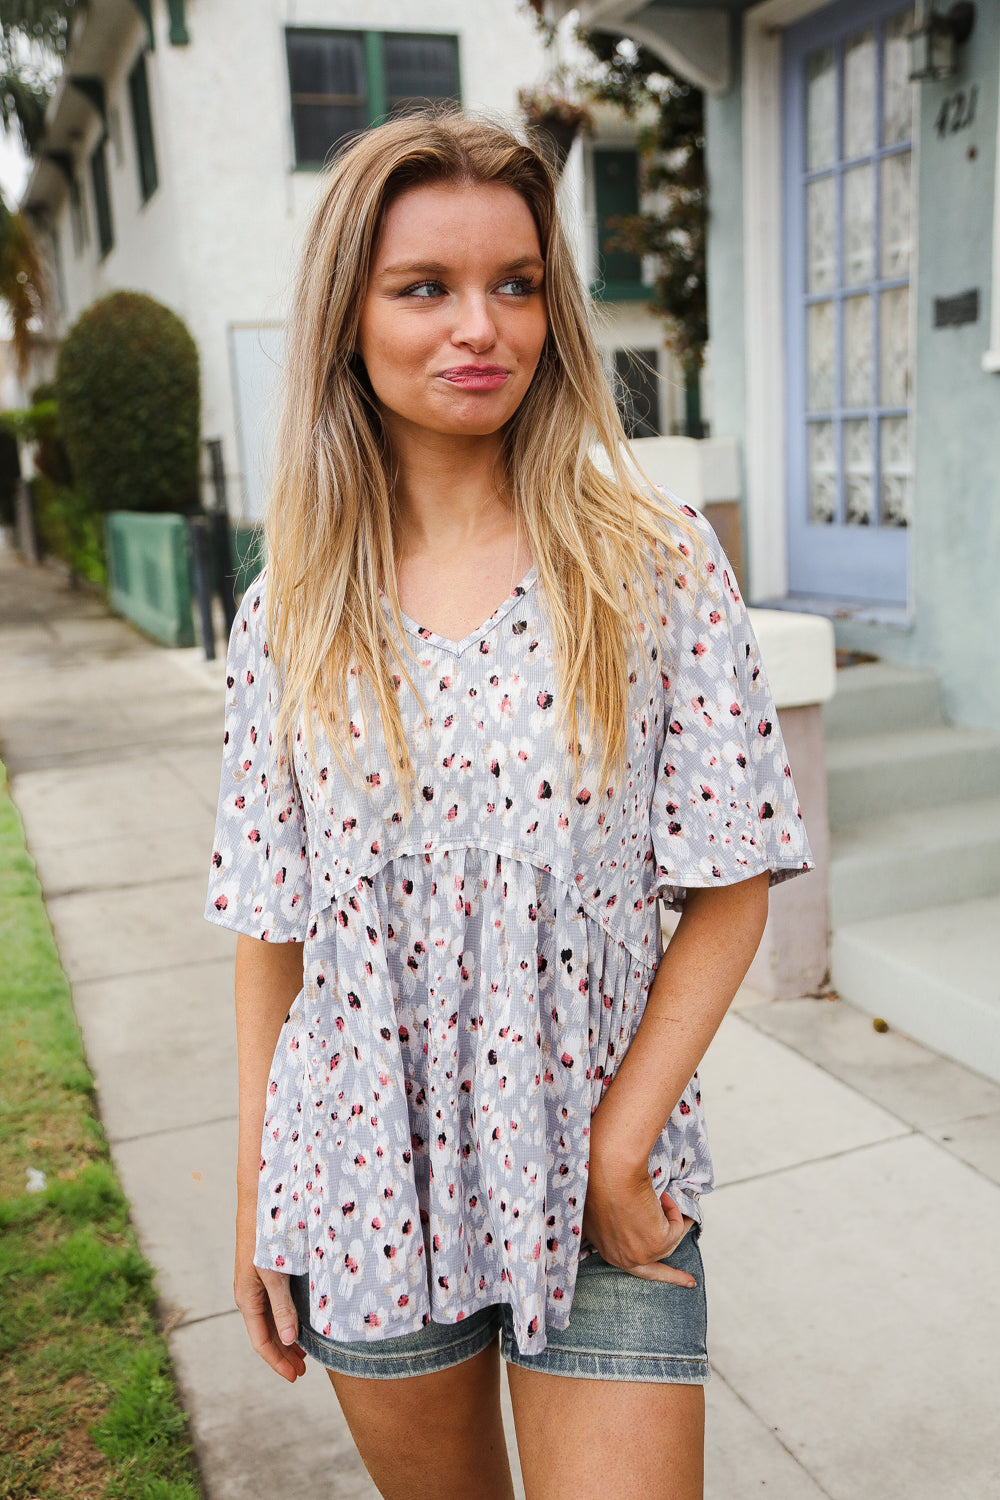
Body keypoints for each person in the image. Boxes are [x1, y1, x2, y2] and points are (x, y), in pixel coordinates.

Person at [205, 110, 812, 1500]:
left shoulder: (650, 567)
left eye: (518, 284)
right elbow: (269, 934)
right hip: (365, 1180)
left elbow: (731, 886)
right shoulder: (289, 611)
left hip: (604, 1184)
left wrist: (617, 1144)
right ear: (348, 315)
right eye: (425, 287)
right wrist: (259, 1194)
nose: (481, 325)